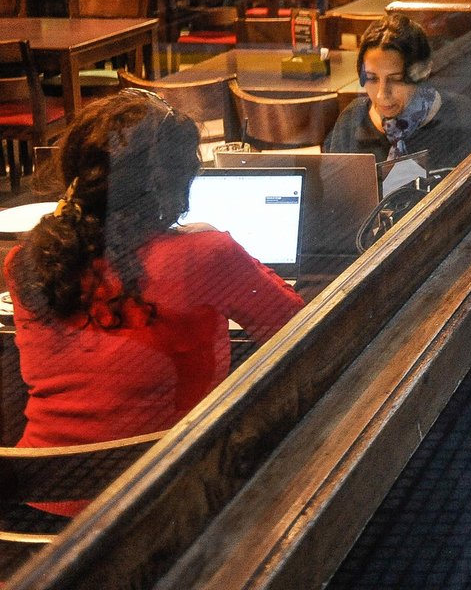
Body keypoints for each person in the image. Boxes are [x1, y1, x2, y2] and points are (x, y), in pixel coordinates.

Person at [4, 92, 303, 514]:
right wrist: (214, 242)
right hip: (161, 514)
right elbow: (302, 333)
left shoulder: (28, 260)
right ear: (172, 186)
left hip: (31, 516)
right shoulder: (203, 256)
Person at [324, 15, 471, 171]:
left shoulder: (460, 116)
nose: (382, 94)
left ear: (423, 72)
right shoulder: (352, 120)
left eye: (396, 79)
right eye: (372, 79)